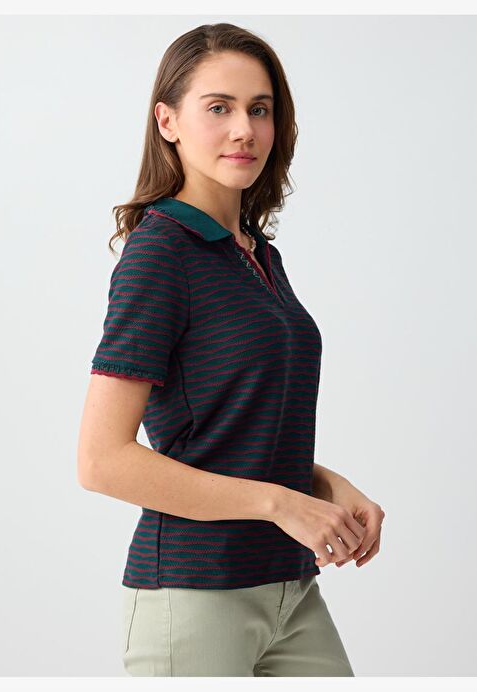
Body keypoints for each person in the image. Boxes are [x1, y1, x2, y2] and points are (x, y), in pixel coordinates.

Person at [77, 22, 385, 677]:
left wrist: (324, 485)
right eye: (218, 107)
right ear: (167, 121)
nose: (244, 129)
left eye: (259, 109)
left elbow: (229, 436)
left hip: (290, 588)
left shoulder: (256, 253)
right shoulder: (161, 252)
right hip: (193, 598)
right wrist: (283, 504)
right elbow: (102, 461)